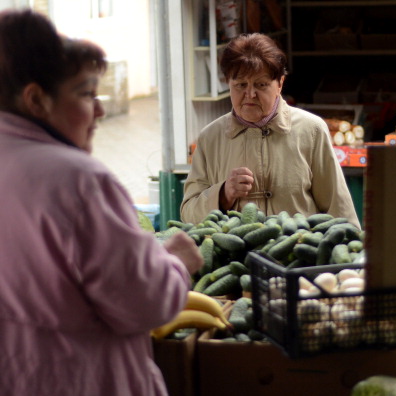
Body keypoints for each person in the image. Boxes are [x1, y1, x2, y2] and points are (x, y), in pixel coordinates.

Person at [0, 9, 202, 395]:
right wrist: (176, 264)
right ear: (36, 99)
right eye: (86, 94)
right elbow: (144, 304)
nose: (100, 110)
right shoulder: (77, 180)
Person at [180, 33, 360, 228]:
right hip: (237, 258)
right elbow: (188, 213)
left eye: (261, 84)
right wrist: (223, 194)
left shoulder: (311, 130)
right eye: (241, 85)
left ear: (280, 84)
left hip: (297, 255)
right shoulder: (210, 138)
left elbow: (339, 210)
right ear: (228, 84)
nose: (250, 94)